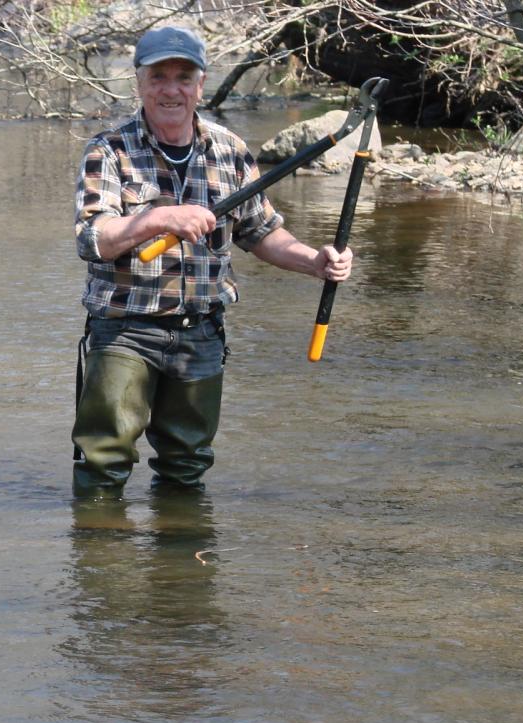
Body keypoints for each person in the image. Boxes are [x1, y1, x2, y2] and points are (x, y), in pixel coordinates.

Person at [71, 24, 354, 499]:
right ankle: (103, 567)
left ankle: (182, 570)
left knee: (187, 470)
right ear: (139, 83)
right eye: (159, 76)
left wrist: (316, 261)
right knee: (103, 464)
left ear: (201, 85)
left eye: (184, 77)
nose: (171, 89)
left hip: (201, 332)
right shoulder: (109, 150)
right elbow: (92, 238)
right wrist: (158, 220)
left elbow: (262, 234)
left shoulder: (230, 151)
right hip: (124, 330)